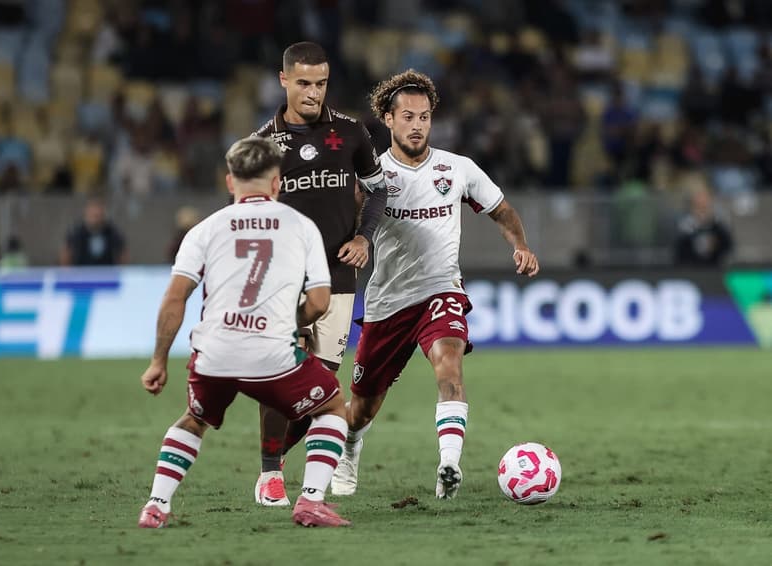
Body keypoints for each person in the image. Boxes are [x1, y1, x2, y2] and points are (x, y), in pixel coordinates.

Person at [330, 69, 540, 499]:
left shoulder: (457, 169)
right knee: (362, 408)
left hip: (441, 290)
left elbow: (501, 210)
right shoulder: (373, 176)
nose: (417, 125)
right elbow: (345, 229)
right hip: (388, 303)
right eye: (407, 117)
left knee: (449, 364)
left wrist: (520, 245)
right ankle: (350, 446)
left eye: (424, 117)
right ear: (388, 119)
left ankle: (449, 464)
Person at [137, 136, 351, 529]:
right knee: (333, 406)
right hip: (273, 355)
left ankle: (156, 505)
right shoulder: (301, 226)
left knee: (194, 420)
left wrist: (158, 361)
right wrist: (290, 322)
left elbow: (174, 298)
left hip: (214, 353)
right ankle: (310, 500)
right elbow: (320, 302)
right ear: (277, 183)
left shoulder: (204, 230)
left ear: (230, 182)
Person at [249, 41, 387, 506]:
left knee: (320, 389)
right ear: (283, 79)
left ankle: (282, 460)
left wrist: (364, 238)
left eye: (321, 83)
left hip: (339, 276)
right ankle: (271, 475)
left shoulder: (350, 133)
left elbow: (378, 191)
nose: (313, 92)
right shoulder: (262, 145)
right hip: (284, 278)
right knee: (284, 374)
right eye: (304, 83)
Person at [674, 186, 733, 266]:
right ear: (692, 207)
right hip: (691, 268)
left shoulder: (719, 227)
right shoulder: (684, 228)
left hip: (716, 269)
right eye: (698, 207)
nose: (702, 212)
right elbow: (680, 254)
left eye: (705, 207)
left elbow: (728, 249)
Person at [59, 198, 128, 266]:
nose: (96, 219)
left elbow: (122, 253)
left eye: (98, 215)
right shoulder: (76, 231)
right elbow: (66, 253)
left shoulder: (112, 231)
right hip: (82, 270)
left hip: (106, 270)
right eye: (93, 215)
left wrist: (120, 269)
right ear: (86, 214)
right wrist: (68, 271)